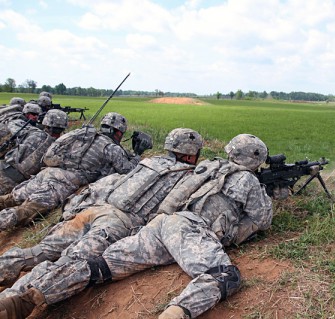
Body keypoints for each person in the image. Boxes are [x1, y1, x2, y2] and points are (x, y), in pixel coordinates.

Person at [0, 134, 273, 319]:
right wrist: (235, 233)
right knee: (225, 276)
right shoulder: (247, 180)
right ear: (255, 160)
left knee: (99, 266)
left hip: (160, 224)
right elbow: (262, 220)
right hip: (189, 229)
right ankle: (175, 313)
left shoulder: (206, 167)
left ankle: (28, 298)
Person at [0, 128, 202, 288]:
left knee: (40, 251)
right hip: (116, 224)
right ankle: (12, 300)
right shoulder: (187, 176)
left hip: (95, 210)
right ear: (191, 155)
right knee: (66, 265)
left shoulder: (148, 162)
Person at [0, 112, 143, 232]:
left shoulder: (85, 136)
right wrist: (138, 154)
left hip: (47, 172)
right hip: (60, 183)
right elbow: (128, 170)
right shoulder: (112, 148)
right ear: (118, 132)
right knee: (24, 212)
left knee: (10, 198)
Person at [0, 108, 68, 195]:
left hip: (5, 171)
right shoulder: (59, 147)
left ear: (45, 122)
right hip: (18, 184)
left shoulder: (32, 132)